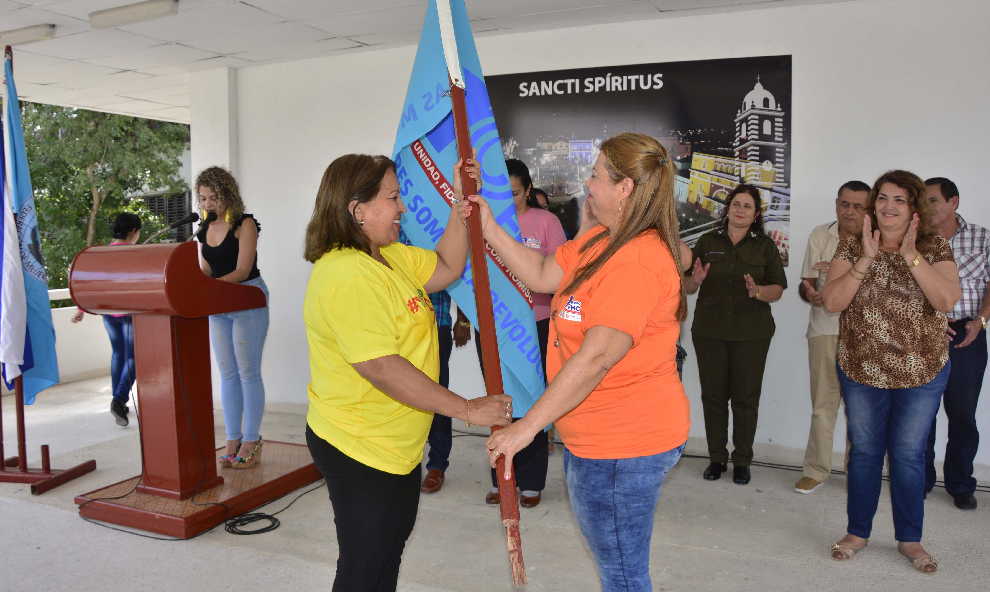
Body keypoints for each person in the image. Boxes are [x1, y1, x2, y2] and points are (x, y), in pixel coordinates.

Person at [478, 133, 690, 592]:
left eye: (595, 175)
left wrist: (526, 426)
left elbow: (596, 358)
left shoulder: (637, 260)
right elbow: (540, 273)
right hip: (593, 435)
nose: (587, 183)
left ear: (624, 188)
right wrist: (490, 228)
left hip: (623, 443)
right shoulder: (602, 241)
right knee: (616, 562)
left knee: (622, 574)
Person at [302, 153, 511, 592]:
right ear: (356, 210)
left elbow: (449, 267)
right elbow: (381, 366)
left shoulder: (390, 257)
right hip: (359, 445)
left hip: (394, 445)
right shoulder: (345, 273)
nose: (402, 208)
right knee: (364, 566)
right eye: (393, 197)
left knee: (385, 556)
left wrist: (460, 203)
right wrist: (468, 409)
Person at [822, 170, 959, 574]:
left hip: (922, 370)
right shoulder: (852, 245)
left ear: (914, 208)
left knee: (908, 455)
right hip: (862, 368)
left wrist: (910, 253)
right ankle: (857, 532)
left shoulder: (934, 246)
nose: (888, 206)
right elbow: (832, 301)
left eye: (899, 200)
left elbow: (946, 299)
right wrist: (866, 255)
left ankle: (910, 540)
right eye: (882, 198)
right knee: (864, 453)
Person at [478, 159, 567, 508]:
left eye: (514, 193)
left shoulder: (546, 222)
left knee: (534, 401)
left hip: (537, 324)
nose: (508, 199)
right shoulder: (485, 223)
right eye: (502, 193)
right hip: (496, 326)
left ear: (528, 191)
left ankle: (531, 482)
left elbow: (561, 274)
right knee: (497, 405)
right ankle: (502, 479)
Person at [685, 184, 787, 485]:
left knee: (745, 399)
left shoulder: (764, 246)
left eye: (747, 206)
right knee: (713, 397)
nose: (740, 210)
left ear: (756, 215)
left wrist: (757, 292)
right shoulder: (706, 241)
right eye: (736, 204)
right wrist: (696, 279)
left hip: (751, 334)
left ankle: (742, 460)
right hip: (710, 332)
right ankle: (716, 458)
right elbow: (688, 286)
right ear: (727, 208)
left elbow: (777, 289)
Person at [794, 180, 870, 494]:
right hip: (824, 329)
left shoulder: (877, 241)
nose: (849, 211)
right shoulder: (819, 234)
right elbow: (806, 282)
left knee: (862, 409)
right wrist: (810, 292)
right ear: (836, 203)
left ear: (868, 209)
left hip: (866, 334)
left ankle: (860, 473)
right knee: (823, 405)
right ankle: (816, 470)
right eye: (844, 204)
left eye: (857, 206)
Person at [194, 166, 269, 469]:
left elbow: (241, 270)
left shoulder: (244, 224)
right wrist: (196, 283)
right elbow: (206, 270)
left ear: (227, 194)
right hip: (218, 304)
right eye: (203, 198)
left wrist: (208, 288)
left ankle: (251, 438)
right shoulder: (203, 228)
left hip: (248, 299)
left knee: (248, 372)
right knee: (227, 374)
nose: (208, 204)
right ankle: (233, 438)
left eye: (213, 197)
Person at [923, 177, 986, 510]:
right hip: (923, 333)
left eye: (933, 200)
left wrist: (982, 321)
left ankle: (961, 483)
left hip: (967, 335)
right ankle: (919, 480)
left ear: (953, 202)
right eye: (924, 200)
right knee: (921, 411)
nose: (928, 206)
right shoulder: (916, 241)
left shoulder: (981, 237)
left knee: (963, 412)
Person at [71, 212, 142, 427]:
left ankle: (117, 401)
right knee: (135, 357)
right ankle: (119, 400)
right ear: (133, 232)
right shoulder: (136, 254)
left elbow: (90, 283)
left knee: (119, 354)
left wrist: (81, 308)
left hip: (108, 314)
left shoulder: (101, 254)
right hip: (129, 313)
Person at [419, 290, 455, 494]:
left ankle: (437, 465)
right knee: (400, 392)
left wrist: (464, 322)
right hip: (400, 325)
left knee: (437, 396)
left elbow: (458, 276)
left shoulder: (435, 255)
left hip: (437, 324)